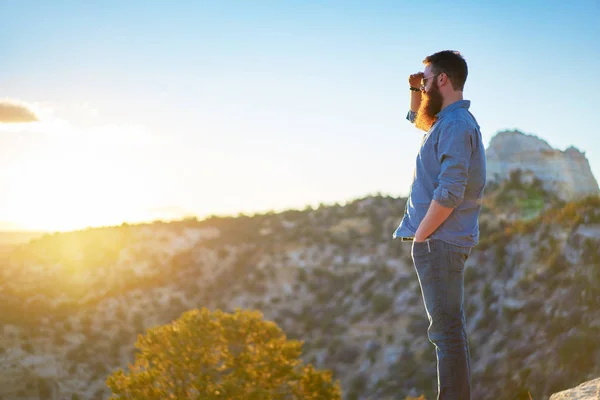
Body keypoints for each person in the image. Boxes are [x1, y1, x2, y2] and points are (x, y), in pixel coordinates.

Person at [392, 50, 487, 400]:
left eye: (427, 78)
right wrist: (415, 90)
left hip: (439, 241)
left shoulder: (457, 125)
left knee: (445, 332)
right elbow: (418, 120)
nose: (423, 83)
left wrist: (422, 235)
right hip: (439, 240)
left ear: (443, 79)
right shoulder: (445, 122)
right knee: (447, 330)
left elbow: (451, 190)